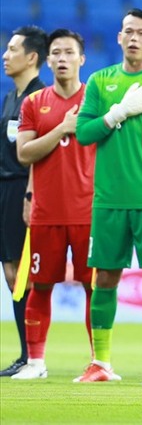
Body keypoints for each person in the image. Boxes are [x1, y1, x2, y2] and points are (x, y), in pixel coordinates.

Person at [73, 9, 142, 382]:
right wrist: (117, 113)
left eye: (141, 32)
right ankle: (101, 363)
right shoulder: (100, 81)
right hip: (108, 199)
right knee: (104, 279)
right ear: (119, 37)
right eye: (128, 32)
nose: (134, 38)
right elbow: (83, 135)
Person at [13, 29, 95, 380]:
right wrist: (62, 129)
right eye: (56, 53)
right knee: (40, 284)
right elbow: (23, 153)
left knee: (95, 286)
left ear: (82, 59)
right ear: (47, 60)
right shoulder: (33, 103)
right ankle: (35, 362)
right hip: (47, 210)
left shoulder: (96, 100)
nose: (62, 58)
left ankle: (99, 360)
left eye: (69, 52)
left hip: (90, 210)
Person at [0, 26, 48, 377]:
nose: (5, 55)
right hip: (4, 189)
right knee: (10, 271)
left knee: (23, 275)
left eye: (13, 49)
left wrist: (31, 194)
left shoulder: (41, 99)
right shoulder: (10, 98)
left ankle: (31, 356)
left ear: (32, 57)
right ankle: (25, 353)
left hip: (23, 189)